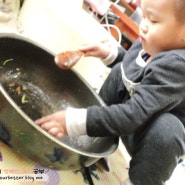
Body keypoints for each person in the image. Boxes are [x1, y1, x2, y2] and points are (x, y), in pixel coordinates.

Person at [35, 0, 185, 184]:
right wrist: (108, 53)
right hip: (129, 120)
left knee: (167, 128)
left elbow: (134, 114)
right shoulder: (153, 40)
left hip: (150, 139)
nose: (144, 25)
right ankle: (98, 142)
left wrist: (76, 121)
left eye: (153, 20)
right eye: (144, 16)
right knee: (118, 71)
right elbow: (133, 68)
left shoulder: (178, 65)